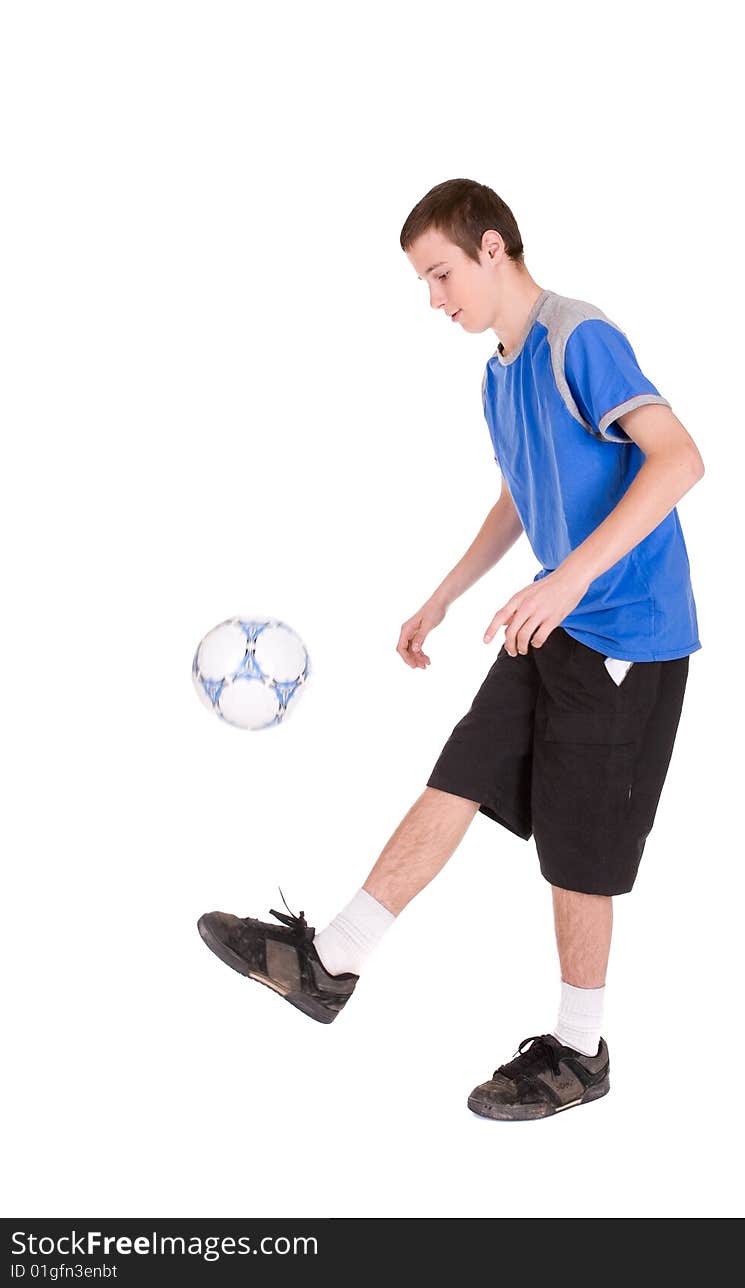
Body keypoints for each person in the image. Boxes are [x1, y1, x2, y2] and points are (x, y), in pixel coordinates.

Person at [198, 178, 704, 1122]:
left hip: (626, 636)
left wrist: (568, 580)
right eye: (424, 282)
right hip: (550, 623)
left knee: (578, 849)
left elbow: (680, 458)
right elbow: (521, 494)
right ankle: (331, 964)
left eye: (441, 274)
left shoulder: (576, 336)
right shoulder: (500, 370)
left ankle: (580, 1050)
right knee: (459, 772)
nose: (435, 300)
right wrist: (442, 595)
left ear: (493, 249)